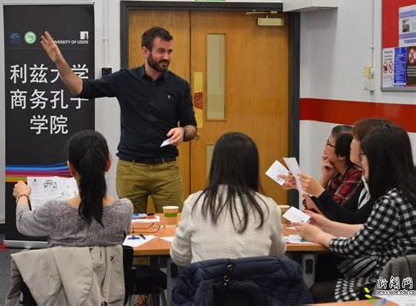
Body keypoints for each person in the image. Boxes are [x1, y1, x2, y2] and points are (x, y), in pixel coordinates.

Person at [40, 27, 197, 213]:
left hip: (167, 169)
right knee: (129, 227)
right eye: (161, 51)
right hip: (131, 169)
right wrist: (59, 61)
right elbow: (81, 89)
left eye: (169, 51)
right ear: (145, 51)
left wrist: (183, 131)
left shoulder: (180, 86)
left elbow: (191, 127)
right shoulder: (125, 79)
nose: (166, 57)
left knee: (172, 225)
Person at [295, 124, 416, 302]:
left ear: (377, 160)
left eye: (364, 156)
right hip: (407, 283)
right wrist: (326, 224)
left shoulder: (390, 201)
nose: (361, 161)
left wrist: (318, 235)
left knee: (318, 291)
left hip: (390, 289)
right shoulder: (406, 191)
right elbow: (369, 228)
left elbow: (352, 248)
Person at [170, 132, 286, 266]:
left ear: (216, 164)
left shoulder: (195, 202)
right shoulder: (268, 206)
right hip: (254, 285)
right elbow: (277, 254)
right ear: (253, 166)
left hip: (207, 285)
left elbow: (180, 257)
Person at [13, 130, 133, 247]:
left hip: (63, 268)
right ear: (108, 164)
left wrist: (22, 195)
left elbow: (23, 222)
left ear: (70, 168)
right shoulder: (124, 210)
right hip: (108, 268)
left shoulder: (53, 211)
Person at [302, 118, 395, 224]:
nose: (351, 144)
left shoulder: (360, 176)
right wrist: (324, 179)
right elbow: (336, 214)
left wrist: (318, 191)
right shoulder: (360, 178)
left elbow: (347, 220)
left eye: (355, 138)